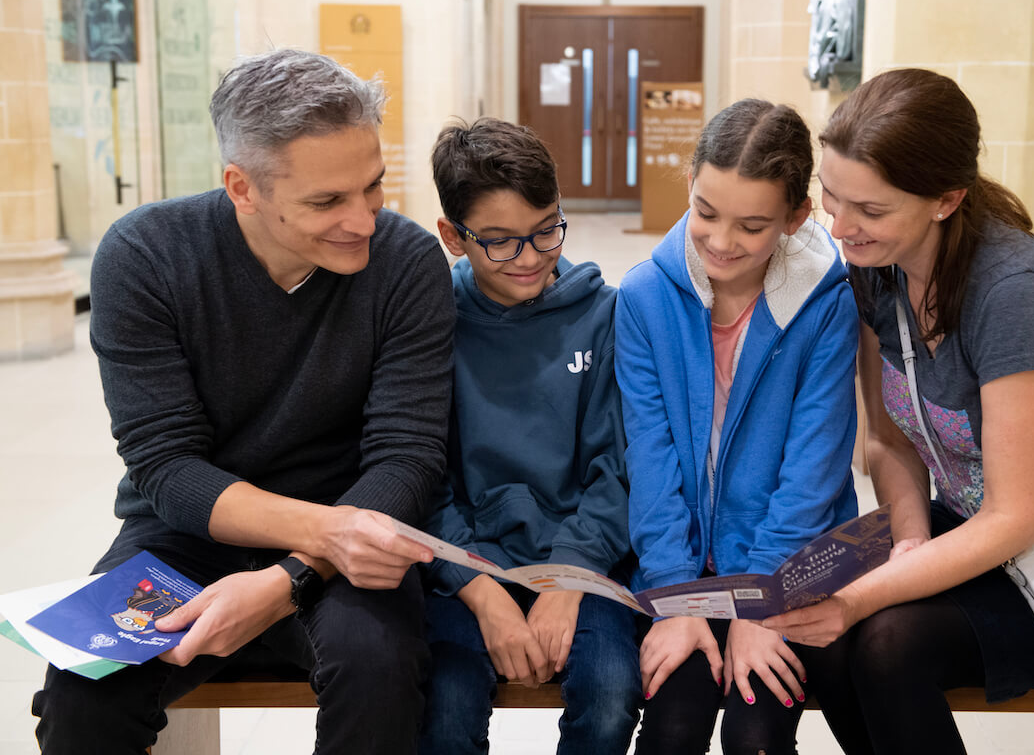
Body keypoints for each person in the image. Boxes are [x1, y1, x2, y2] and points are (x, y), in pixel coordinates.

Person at [31, 49, 455, 754]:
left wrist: (290, 578)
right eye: (326, 202)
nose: (364, 221)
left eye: (373, 186)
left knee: (379, 672)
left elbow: (407, 457)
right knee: (82, 695)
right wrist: (323, 538)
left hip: (353, 527)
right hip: (191, 534)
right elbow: (167, 468)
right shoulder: (145, 257)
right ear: (242, 187)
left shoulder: (406, 263)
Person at [763, 68, 1034, 755]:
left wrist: (865, 596)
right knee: (823, 643)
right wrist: (912, 537)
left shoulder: (1018, 295)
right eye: (830, 197)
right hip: (975, 535)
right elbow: (885, 441)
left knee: (886, 643)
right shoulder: (875, 267)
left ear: (946, 200)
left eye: (870, 209)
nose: (840, 227)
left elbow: (1014, 519)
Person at [615, 99, 861, 755]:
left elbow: (814, 469)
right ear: (690, 186)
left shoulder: (828, 305)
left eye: (752, 226)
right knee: (672, 723)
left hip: (790, 565)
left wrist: (762, 603)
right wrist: (675, 599)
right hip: (684, 566)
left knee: (755, 732)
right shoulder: (642, 297)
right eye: (705, 212)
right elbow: (652, 457)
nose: (723, 242)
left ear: (796, 218)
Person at [418, 117, 641, 755]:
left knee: (609, 692)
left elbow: (619, 467)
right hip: (463, 566)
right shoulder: (430, 322)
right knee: (447, 701)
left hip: (583, 559)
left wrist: (568, 579)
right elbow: (420, 478)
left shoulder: (604, 315)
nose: (532, 256)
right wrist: (481, 593)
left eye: (547, 229)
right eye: (501, 242)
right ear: (453, 238)